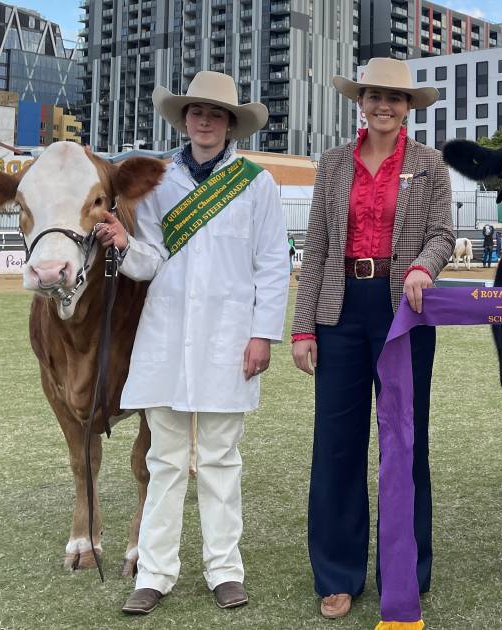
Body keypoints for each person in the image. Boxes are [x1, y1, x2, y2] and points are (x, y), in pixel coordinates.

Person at [95, 71, 290, 615]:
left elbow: (273, 265)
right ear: (184, 119)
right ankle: (155, 575)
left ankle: (225, 569)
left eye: (216, 114)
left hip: (230, 342)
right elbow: (150, 260)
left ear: (230, 124)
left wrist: (261, 335)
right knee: (165, 460)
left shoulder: (258, 183)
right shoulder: (158, 181)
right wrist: (121, 242)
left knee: (222, 460)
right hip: (167, 338)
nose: (205, 121)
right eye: (196, 112)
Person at [290, 57, 454, 620]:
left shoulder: (430, 165)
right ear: (360, 102)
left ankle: (406, 567)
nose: (383, 105)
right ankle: (337, 571)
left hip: (403, 310)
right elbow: (315, 247)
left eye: (394, 98)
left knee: (406, 442)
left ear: (408, 107)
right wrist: (302, 326)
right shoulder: (334, 165)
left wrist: (423, 268)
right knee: (336, 445)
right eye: (373, 96)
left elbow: (443, 234)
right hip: (339, 311)